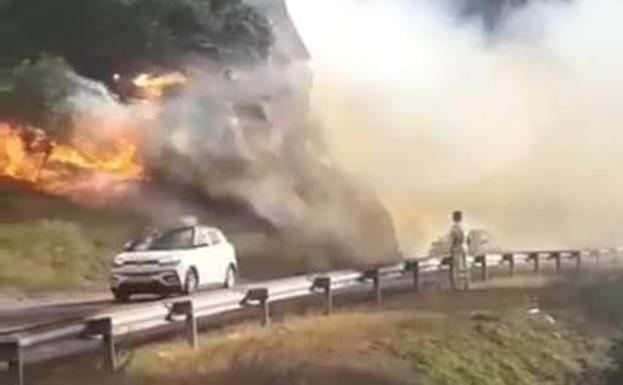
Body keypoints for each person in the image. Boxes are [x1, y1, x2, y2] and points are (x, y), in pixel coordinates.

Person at [448, 210, 470, 290]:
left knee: (456, 266)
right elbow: (469, 239)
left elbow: (455, 238)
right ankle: (466, 283)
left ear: (455, 217)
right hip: (465, 246)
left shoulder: (455, 226)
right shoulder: (465, 226)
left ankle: (457, 285)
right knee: (465, 265)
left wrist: (451, 247)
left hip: (457, 247)